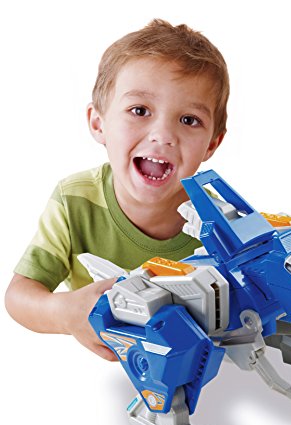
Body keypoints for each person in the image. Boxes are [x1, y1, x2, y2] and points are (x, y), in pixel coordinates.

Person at [4, 19, 229, 361]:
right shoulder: (74, 201)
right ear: (98, 123)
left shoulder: (218, 220)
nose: (163, 135)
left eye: (189, 120)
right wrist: (65, 314)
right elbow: (18, 296)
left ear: (211, 144)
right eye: (140, 111)